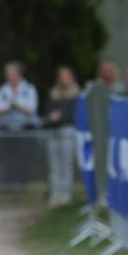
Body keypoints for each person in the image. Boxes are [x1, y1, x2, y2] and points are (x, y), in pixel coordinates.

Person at [0, 60, 39, 190]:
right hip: (6, 130)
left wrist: (16, 105)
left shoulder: (29, 89)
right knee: (7, 157)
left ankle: (22, 184)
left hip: (24, 129)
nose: (9, 76)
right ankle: (8, 184)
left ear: (19, 74)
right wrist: (8, 108)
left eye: (12, 73)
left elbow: (31, 109)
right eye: (8, 73)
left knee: (23, 157)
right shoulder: (1, 90)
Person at [44, 65, 80, 206]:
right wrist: (51, 116)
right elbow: (47, 109)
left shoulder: (76, 94)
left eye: (66, 76)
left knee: (66, 164)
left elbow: (75, 114)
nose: (63, 79)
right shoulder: (53, 93)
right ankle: (55, 194)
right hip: (53, 131)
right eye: (61, 76)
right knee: (54, 165)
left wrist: (62, 116)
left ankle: (66, 195)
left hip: (67, 130)